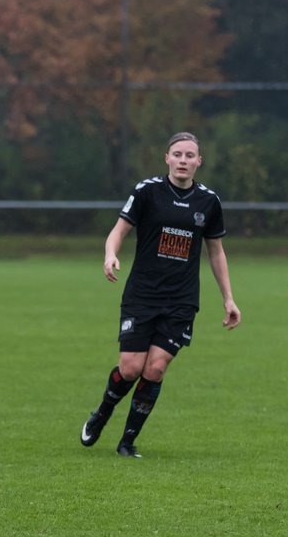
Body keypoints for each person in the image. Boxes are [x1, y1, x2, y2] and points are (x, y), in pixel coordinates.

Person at [80, 132, 241, 459]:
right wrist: (110, 254)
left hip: (181, 300)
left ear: (199, 162)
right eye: (177, 154)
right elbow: (118, 230)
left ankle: (127, 441)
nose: (183, 160)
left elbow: (217, 253)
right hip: (142, 294)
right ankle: (102, 412)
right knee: (130, 369)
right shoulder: (147, 192)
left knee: (154, 369)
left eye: (190, 155)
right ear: (167, 158)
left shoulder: (209, 202)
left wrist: (229, 298)